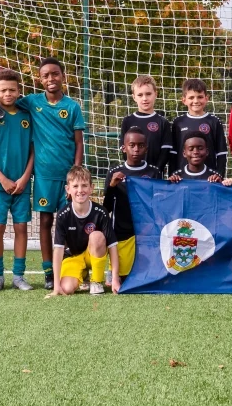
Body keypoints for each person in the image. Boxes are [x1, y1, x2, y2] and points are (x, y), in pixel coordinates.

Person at [0, 57, 84, 290]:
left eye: (55, 74)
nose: (51, 79)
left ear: (63, 76)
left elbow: (79, 143)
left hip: (67, 179)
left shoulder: (72, 106)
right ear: (40, 80)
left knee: (70, 223)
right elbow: (4, 99)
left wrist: (76, 173)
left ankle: (72, 268)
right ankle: (49, 271)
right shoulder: (31, 102)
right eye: (45, 76)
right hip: (42, 177)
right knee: (45, 222)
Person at [0, 68, 35, 292]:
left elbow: (33, 150)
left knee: (22, 228)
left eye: (12, 89)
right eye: (3, 90)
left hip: (22, 185)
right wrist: (1, 178)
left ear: (19, 91)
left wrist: (24, 177)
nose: (8, 94)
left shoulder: (27, 116)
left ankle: (19, 276)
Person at [49, 166, 119, 296]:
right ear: (68, 189)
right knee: (67, 289)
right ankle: (83, 274)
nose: (80, 190)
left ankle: (97, 282)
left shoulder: (101, 212)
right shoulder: (63, 215)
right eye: (75, 186)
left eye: (84, 185)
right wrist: (56, 286)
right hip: (73, 256)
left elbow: (113, 247)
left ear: (91, 188)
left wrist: (115, 279)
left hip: (92, 254)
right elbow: (58, 250)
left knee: (96, 236)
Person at [102, 127, 161, 279]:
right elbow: (106, 207)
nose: (136, 149)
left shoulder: (154, 172)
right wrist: (112, 185)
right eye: (132, 145)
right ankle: (113, 268)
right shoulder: (114, 172)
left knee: (146, 276)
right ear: (124, 147)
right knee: (122, 277)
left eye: (141, 145)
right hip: (121, 231)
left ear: (146, 148)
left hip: (146, 230)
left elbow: (159, 205)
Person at [170, 78, 228, 175]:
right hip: (183, 177)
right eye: (191, 97)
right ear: (184, 100)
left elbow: (221, 152)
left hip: (209, 178)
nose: (196, 101)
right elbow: (173, 152)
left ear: (206, 98)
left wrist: (219, 175)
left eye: (200, 97)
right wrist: (172, 174)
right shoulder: (178, 122)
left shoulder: (214, 121)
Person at [119, 74, 173, 175]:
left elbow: (165, 152)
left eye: (148, 94)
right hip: (133, 175)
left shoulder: (162, 122)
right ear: (134, 97)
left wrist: (155, 171)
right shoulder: (127, 121)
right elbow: (124, 150)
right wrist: (133, 169)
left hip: (154, 176)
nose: (144, 98)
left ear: (155, 94)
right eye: (140, 95)